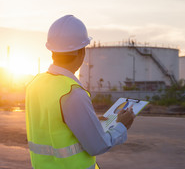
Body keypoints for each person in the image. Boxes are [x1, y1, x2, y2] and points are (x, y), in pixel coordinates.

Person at [26, 15, 136, 169]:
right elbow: (98, 145)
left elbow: (53, 125)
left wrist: (89, 121)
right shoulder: (72, 93)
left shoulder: (36, 84)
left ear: (52, 51)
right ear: (81, 52)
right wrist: (121, 126)